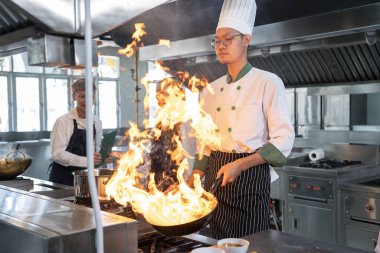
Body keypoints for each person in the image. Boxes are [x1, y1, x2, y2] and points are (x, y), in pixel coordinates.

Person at [188, 0, 295, 239]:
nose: (221, 45)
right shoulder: (210, 90)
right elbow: (205, 142)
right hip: (215, 174)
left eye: (228, 38)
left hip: (249, 175)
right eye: (217, 40)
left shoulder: (268, 82)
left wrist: (241, 164)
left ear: (246, 40)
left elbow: (284, 139)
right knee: (217, 241)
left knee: (248, 243)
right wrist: (196, 174)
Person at [49, 78, 102, 186]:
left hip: (86, 180)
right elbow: (57, 154)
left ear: (94, 98)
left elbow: (97, 150)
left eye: (90, 97)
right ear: (74, 97)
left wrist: (103, 157)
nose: (86, 100)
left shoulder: (97, 122)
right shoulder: (63, 122)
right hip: (62, 180)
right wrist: (87, 161)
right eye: (82, 96)